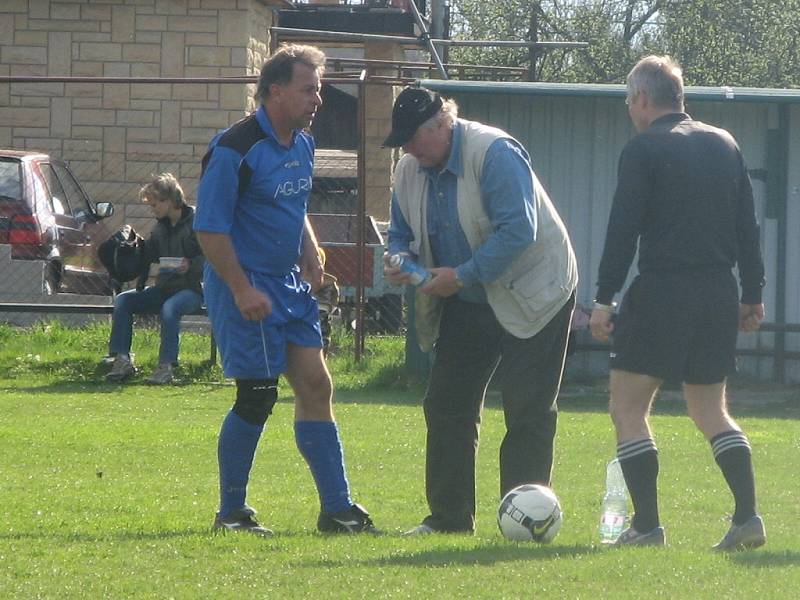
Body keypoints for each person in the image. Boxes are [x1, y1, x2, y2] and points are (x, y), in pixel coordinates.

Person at [195, 44, 377, 536]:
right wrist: (239, 288)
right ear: (276, 90)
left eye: (318, 89)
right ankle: (231, 513)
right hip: (247, 285)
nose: (318, 99)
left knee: (317, 386)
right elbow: (210, 229)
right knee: (256, 395)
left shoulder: (302, 142)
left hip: (289, 286)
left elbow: (293, 209)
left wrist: (312, 254)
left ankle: (337, 510)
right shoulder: (235, 148)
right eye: (309, 89)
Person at [589, 56, 767, 550]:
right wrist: (752, 293)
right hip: (717, 291)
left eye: (629, 101)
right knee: (710, 407)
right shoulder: (725, 143)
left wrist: (604, 298)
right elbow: (746, 228)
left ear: (643, 99)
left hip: (663, 290)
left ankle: (646, 526)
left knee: (627, 407)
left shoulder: (643, 148)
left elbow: (622, 230)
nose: (630, 110)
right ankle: (747, 518)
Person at [383, 86, 578, 535]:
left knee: (527, 407)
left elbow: (518, 231)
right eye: (402, 143)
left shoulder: (494, 152)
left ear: (442, 124)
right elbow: (398, 233)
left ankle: (527, 522)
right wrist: (400, 261)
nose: (407, 150)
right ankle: (449, 521)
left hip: (536, 292)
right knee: (447, 403)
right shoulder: (408, 171)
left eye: (412, 139)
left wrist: (462, 275)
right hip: (468, 299)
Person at [105, 173, 204, 385]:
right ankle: (122, 360)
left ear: (169, 200)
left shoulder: (197, 221)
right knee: (124, 300)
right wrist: (129, 247)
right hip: (165, 288)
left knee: (170, 308)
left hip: (194, 290)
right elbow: (148, 255)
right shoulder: (161, 227)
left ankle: (166, 366)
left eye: (155, 204)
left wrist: (192, 265)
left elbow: (214, 256)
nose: (152, 209)